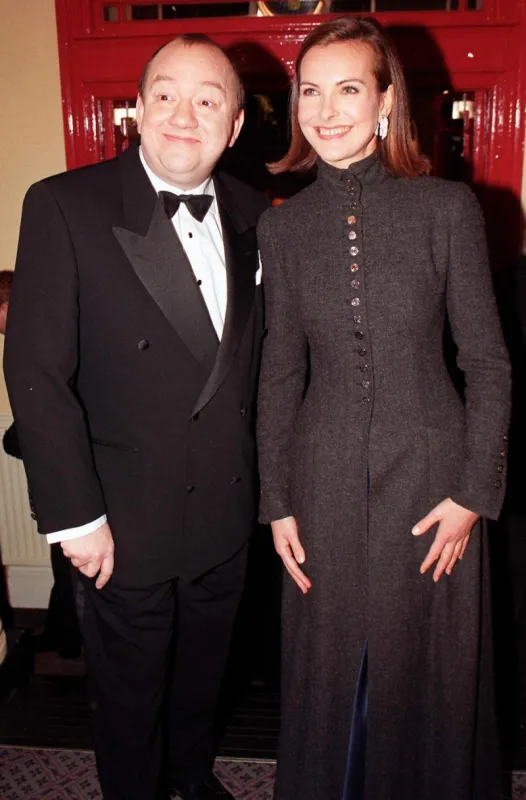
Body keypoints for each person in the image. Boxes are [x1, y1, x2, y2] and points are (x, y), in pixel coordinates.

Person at [5, 34, 267, 800]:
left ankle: (190, 775)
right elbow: (36, 371)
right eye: (165, 94)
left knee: (202, 683)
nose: (184, 115)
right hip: (121, 520)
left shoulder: (257, 212)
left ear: (237, 124)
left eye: (208, 99)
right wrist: (75, 516)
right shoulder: (64, 203)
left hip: (225, 509)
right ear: (138, 109)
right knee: (128, 700)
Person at [256, 16, 511, 800]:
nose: (326, 112)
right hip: (320, 483)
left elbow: (487, 363)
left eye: (348, 90)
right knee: (328, 675)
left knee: (426, 674)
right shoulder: (282, 226)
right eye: (310, 92)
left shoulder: (446, 210)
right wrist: (276, 501)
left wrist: (474, 492)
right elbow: (278, 374)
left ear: (387, 100)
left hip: (435, 485)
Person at [1, 270, 83, 660]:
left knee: (71, 566)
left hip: (66, 485)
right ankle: (63, 638)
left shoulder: (37, 343)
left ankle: (67, 642)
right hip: (63, 481)